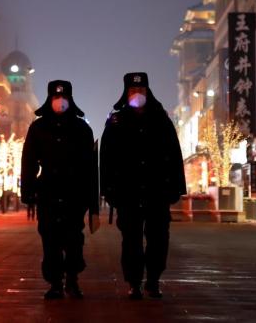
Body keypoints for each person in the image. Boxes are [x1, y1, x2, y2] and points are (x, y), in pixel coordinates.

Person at [100, 72, 184, 300]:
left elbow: (175, 155)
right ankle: (134, 282)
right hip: (127, 192)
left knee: (159, 238)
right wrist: (108, 190)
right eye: (133, 91)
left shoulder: (161, 120)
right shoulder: (116, 122)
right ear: (126, 93)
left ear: (148, 92)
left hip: (157, 191)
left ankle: (154, 280)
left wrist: (176, 187)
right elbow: (105, 159)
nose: (138, 95)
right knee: (131, 240)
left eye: (142, 90)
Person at [21, 80, 99, 300]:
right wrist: (28, 190)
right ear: (49, 99)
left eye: (63, 97)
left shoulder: (82, 128)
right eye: (55, 97)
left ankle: (72, 279)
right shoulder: (38, 127)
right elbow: (28, 160)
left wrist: (92, 198)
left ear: (70, 98)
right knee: (50, 239)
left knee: (74, 238)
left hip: (75, 193)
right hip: (48, 191)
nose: (60, 101)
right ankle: (55, 282)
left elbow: (90, 167)